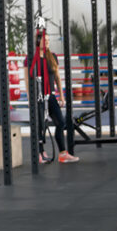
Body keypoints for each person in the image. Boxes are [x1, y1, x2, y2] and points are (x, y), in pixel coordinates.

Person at [26, 27, 78, 164]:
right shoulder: (30, 58)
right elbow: (27, 79)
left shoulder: (52, 56)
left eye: (48, 40)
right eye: (45, 40)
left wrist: (61, 95)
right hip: (38, 97)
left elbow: (57, 77)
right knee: (41, 126)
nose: (47, 42)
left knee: (61, 122)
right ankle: (40, 153)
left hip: (51, 96)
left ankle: (63, 153)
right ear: (38, 41)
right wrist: (29, 97)